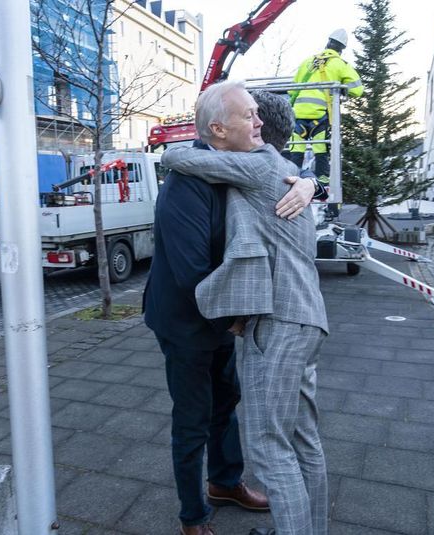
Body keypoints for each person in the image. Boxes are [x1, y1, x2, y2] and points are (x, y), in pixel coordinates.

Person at [143, 85, 318, 534]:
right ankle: (193, 514)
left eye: (258, 114)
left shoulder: (241, 166)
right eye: (249, 115)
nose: (258, 123)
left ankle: (224, 482)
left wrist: (308, 185)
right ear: (218, 130)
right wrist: (238, 321)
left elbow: (280, 171)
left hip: (229, 314)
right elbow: (189, 273)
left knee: (229, 402)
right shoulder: (187, 183)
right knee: (192, 418)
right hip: (188, 319)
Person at [288, 28, 363, 187]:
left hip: (299, 113)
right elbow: (358, 90)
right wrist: (343, 88)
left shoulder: (308, 61)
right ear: (341, 49)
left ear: (328, 42)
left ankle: (292, 178)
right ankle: (322, 179)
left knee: (297, 148)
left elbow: (292, 89)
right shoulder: (340, 64)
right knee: (320, 147)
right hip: (319, 114)